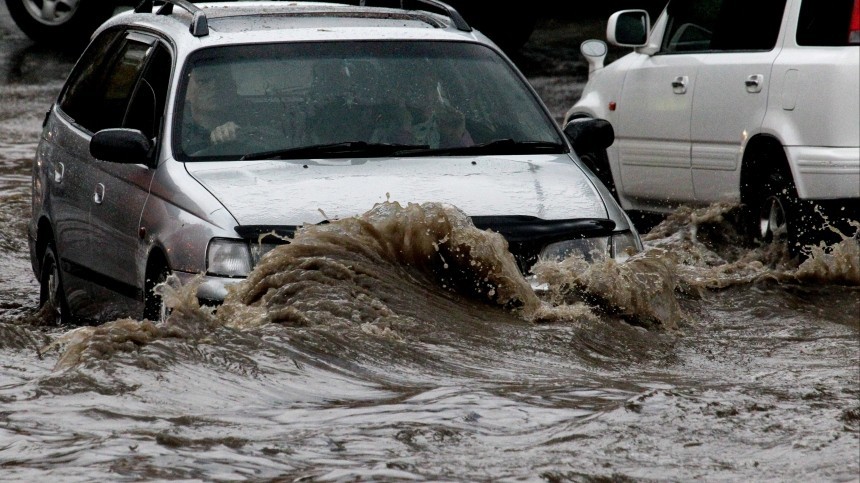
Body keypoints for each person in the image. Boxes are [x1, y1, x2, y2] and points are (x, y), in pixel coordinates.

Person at [371, 71, 473, 149]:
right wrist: (405, 128)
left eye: (432, 88)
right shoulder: (384, 132)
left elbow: (468, 164)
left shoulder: (441, 129)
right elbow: (400, 167)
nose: (428, 97)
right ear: (404, 97)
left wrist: (457, 136)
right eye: (420, 90)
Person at [180, 64, 244, 154]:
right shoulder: (175, 132)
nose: (214, 86)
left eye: (222, 81)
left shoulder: (253, 119)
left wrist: (240, 134)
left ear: (233, 87)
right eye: (203, 81)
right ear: (185, 91)